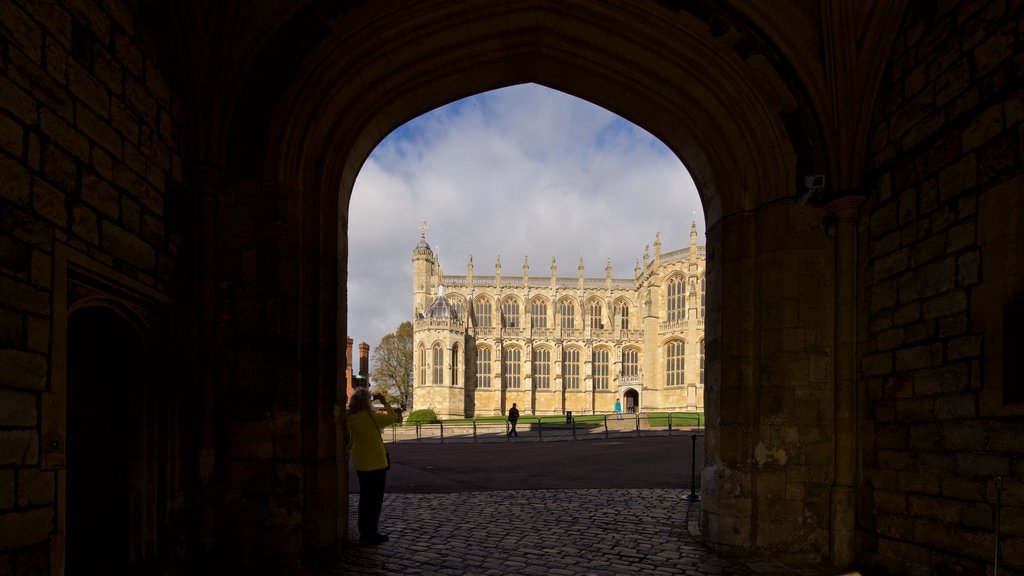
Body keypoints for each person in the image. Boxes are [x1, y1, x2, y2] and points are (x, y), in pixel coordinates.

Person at [346, 387, 397, 545]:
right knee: (375, 499)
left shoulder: (349, 417)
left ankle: (363, 530)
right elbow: (393, 417)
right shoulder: (372, 416)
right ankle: (371, 532)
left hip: (361, 462)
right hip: (376, 462)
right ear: (367, 403)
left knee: (365, 497)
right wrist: (384, 402)